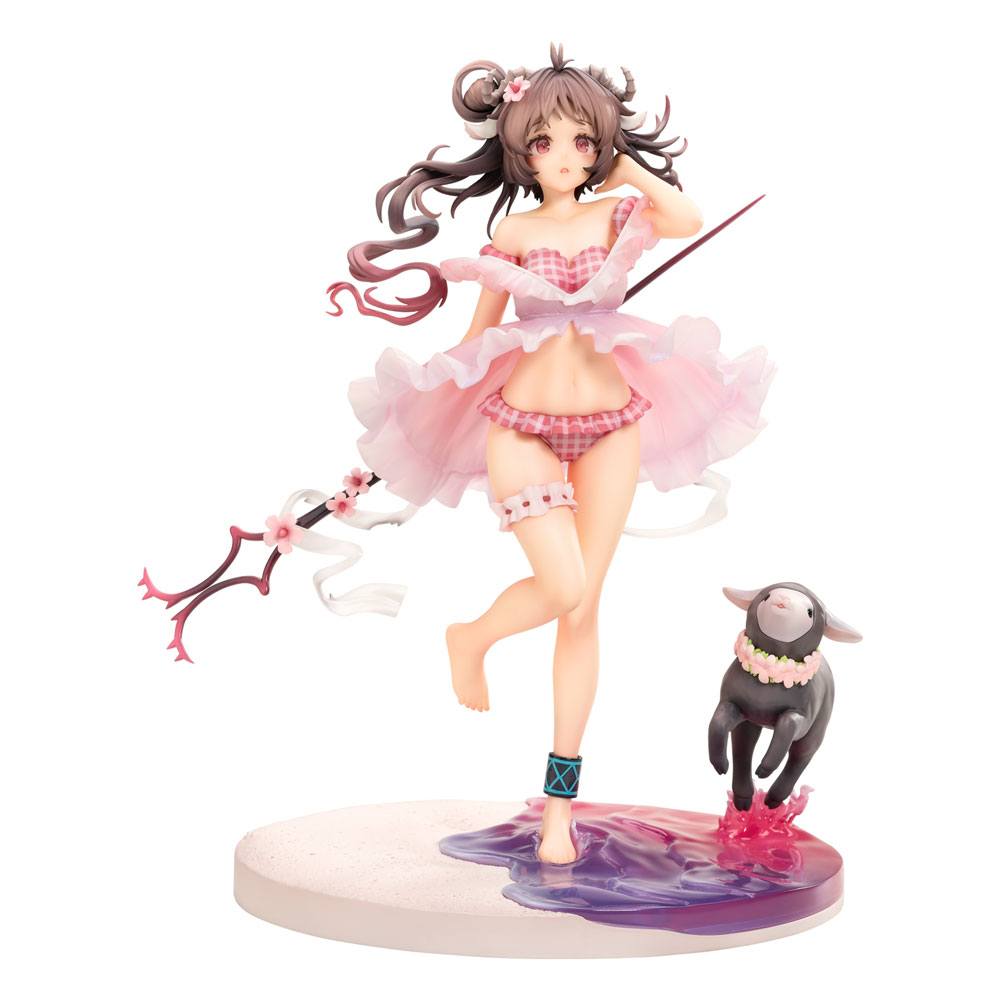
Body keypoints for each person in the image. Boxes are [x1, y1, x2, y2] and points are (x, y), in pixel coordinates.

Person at [327, 43, 774, 863]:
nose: (563, 156)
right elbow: (478, 336)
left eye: (581, 140)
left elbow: (686, 218)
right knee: (562, 584)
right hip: (522, 426)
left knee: (582, 610)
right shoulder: (513, 229)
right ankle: (472, 637)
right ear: (519, 150)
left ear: (600, 145)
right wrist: (415, 417)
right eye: (543, 141)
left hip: (613, 422)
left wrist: (626, 165)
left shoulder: (617, 213)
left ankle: (559, 810)